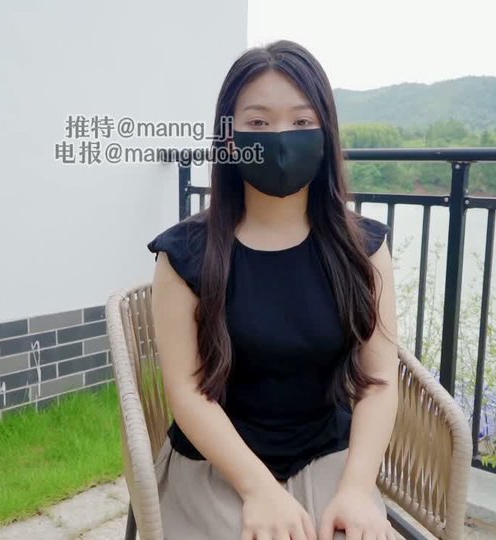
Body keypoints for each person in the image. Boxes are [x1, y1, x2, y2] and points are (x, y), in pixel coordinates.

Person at [146, 39, 401, 540]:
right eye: (258, 123)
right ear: (229, 139)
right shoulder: (185, 255)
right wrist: (259, 489)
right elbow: (187, 391)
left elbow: (379, 381)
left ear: (325, 134)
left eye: (302, 121)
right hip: (216, 463)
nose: (281, 139)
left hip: (329, 457)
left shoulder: (363, 248)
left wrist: (355, 489)